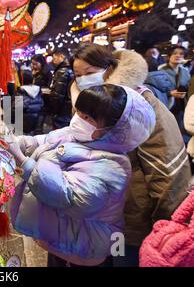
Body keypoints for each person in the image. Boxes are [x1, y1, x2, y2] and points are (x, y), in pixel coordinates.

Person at [67, 44, 192, 267]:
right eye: (78, 75)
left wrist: (164, 227)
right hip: (93, 214)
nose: (83, 79)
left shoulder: (140, 104)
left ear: (109, 68)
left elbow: (166, 168)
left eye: (90, 72)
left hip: (132, 218)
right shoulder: (83, 104)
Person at [8, 84, 156, 267]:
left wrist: (23, 161)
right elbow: (42, 142)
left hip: (84, 247)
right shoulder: (77, 135)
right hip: (60, 236)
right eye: (78, 112)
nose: (78, 119)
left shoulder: (113, 165)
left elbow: (68, 196)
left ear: (113, 128)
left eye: (87, 117)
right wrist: (13, 141)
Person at [160, 46, 191, 143]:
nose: (178, 55)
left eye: (181, 54)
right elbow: (157, 90)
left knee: (180, 132)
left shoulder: (185, 72)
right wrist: (170, 93)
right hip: (167, 106)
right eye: (174, 53)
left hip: (182, 106)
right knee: (167, 133)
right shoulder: (161, 71)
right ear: (169, 56)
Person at [46, 48, 74, 129]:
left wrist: (54, 110)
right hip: (68, 110)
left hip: (61, 111)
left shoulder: (62, 71)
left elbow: (57, 95)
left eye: (54, 58)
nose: (53, 61)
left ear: (61, 56)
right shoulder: (70, 69)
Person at [14, 70, 44, 135]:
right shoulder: (38, 91)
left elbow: (15, 111)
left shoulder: (20, 92)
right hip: (35, 127)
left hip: (22, 128)